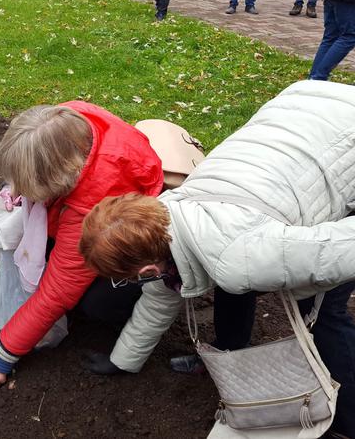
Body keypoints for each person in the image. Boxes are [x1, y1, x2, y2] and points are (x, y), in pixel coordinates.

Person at [79, 80, 355, 438]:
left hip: (343, 139)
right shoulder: (168, 219)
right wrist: (121, 362)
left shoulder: (242, 255)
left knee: (322, 316)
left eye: (125, 278)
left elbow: (336, 252)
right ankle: (230, 353)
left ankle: (347, 420)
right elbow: (160, 300)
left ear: (147, 268)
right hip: (305, 107)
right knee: (232, 279)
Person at [0, 102, 164, 389]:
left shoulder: (90, 206)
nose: (19, 190)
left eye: (27, 184)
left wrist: (0, 356)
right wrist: (14, 190)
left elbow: (56, 293)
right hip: (102, 206)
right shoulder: (65, 122)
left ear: (59, 177)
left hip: (128, 244)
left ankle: (126, 311)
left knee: (95, 303)